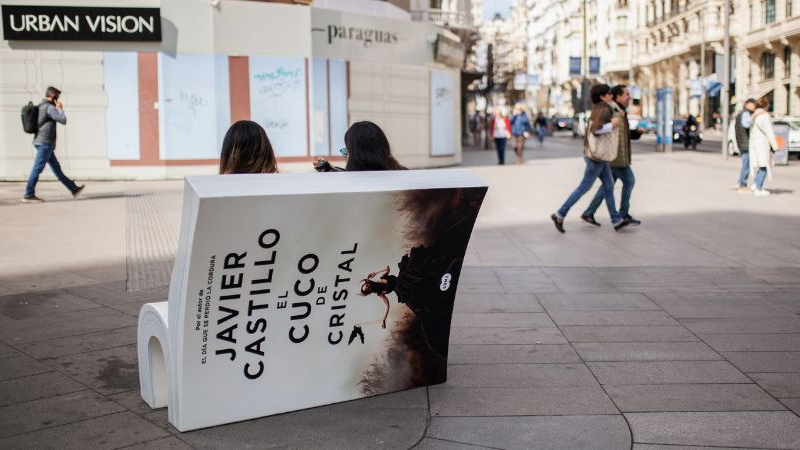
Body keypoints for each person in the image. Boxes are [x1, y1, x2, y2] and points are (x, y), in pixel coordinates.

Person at [550, 84, 630, 233]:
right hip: (596, 157)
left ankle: (616, 220)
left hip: (599, 156)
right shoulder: (603, 109)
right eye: (608, 93)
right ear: (602, 96)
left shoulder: (601, 107)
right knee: (584, 187)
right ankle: (560, 213)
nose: (611, 95)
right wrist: (612, 124)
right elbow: (595, 130)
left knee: (609, 186)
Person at [580, 85, 644, 227]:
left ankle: (589, 213)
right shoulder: (613, 110)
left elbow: (622, 133)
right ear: (618, 96)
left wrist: (636, 133)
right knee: (629, 180)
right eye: (626, 94)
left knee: (607, 187)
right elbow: (601, 130)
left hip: (616, 156)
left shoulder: (620, 111)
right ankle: (622, 215)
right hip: (615, 157)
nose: (629, 97)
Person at [22, 86, 84, 203]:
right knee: (37, 168)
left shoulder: (42, 106)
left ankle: (73, 188)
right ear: (53, 96)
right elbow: (63, 120)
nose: (59, 99)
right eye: (58, 96)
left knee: (57, 169)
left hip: (44, 143)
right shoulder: (49, 108)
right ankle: (29, 194)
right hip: (45, 143)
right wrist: (60, 109)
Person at [313, 121, 405, 172]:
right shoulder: (403, 174)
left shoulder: (352, 185)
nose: (346, 157)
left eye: (347, 152)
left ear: (358, 156)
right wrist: (331, 169)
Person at [748, 97, 779, 196]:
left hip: (755, 143)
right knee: (764, 166)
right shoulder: (764, 116)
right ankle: (758, 188)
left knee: (760, 165)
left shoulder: (754, 115)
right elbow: (769, 132)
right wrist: (775, 146)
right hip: (762, 144)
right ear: (766, 105)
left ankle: (755, 184)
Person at [735, 98, 757, 192]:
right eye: (753, 104)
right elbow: (746, 124)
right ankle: (741, 183)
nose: (754, 107)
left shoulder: (743, 112)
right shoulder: (746, 113)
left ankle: (741, 182)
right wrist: (753, 119)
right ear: (748, 104)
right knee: (746, 165)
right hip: (745, 143)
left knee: (746, 164)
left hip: (742, 142)